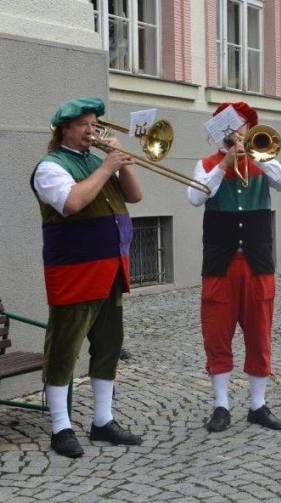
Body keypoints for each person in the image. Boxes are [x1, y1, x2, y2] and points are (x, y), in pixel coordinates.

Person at [31, 97, 143, 458]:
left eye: (94, 123)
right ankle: (61, 426)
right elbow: (72, 203)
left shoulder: (98, 162)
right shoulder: (51, 166)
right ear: (64, 129)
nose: (92, 130)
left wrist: (122, 164)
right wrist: (106, 166)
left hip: (111, 269)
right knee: (64, 348)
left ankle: (102, 419)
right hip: (75, 272)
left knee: (108, 346)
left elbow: (135, 195)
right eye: (83, 124)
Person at [187, 102, 281, 433]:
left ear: (251, 129)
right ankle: (221, 405)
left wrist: (262, 157)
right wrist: (224, 164)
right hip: (220, 263)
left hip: (257, 262)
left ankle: (258, 405)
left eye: (243, 126)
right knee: (217, 333)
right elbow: (195, 198)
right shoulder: (206, 164)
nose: (237, 132)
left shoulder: (264, 162)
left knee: (259, 332)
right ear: (220, 131)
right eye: (231, 127)